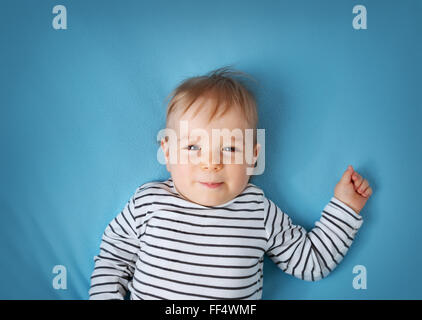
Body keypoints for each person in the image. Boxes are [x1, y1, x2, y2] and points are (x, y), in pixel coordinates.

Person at [89, 66, 373, 300]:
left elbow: (312, 263)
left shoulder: (258, 211)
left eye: (229, 149)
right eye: (192, 147)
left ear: (252, 156)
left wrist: (345, 208)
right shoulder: (149, 202)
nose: (211, 163)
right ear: (167, 151)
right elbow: (113, 257)